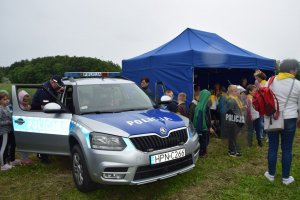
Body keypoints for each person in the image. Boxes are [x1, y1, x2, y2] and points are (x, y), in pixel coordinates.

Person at [264, 59, 300, 185]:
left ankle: (271, 175)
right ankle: (286, 178)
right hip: (290, 118)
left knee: (272, 147)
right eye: (296, 69)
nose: (296, 71)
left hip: (273, 118)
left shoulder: (270, 81)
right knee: (287, 149)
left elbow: (264, 97)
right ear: (292, 70)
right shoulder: (297, 84)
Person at [31, 75, 65, 163]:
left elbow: (52, 96)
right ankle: (42, 156)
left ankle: (46, 153)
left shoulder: (50, 87)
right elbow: (45, 107)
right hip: (40, 114)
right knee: (43, 135)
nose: (59, 87)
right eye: (58, 85)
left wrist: (58, 91)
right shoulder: (44, 89)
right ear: (53, 82)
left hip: (44, 114)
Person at [224, 85, 244, 157]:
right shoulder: (231, 100)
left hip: (237, 120)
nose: (237, 92)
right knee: (232, 137)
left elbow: (237, 109)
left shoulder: (235, 99)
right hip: (233, 121)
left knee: (234, 137)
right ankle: (232, 151)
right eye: (236, 91)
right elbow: (230, 112)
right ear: (232, 92)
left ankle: (234, 150)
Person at [193, 89, 213, 157]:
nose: (209, 99)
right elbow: (199, 119)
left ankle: (203, 152)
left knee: (204, 140)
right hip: (202, 127)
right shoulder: (201, 107)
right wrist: (200, 131)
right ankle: (202, 153)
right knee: (203, 141)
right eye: (208, 97)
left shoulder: (201, 105)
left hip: (202, 127)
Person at [17, 90, 33, 165]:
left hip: (26, 126)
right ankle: (23, 159)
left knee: (27, 143)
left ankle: (26, 158)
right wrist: (26, 107)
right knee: (23, 143)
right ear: (20, 99)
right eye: (24, 100)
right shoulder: (19, 107)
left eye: (27, 100)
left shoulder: (26, 106)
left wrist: (27, 106)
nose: (26, 101)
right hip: (21, 127)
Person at [0, 91, 13, 170]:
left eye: (7, 99)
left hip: (8, 130)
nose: (7, 101)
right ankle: (3, 165)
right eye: (4, 99)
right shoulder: (0, 109)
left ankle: (6, 161)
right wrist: (8, 122)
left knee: (7, 146)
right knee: (3, 147)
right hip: (3, 131)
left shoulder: (7, 107)